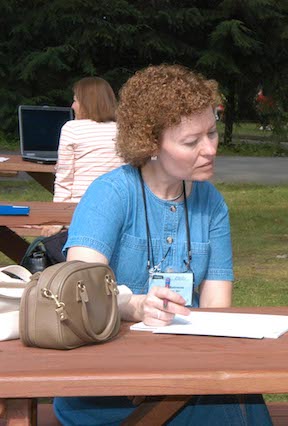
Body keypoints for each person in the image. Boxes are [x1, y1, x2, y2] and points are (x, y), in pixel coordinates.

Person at [54, 65, 272, 426]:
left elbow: (217, 310)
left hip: (186, 374)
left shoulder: (211, 203)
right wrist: (136, 305)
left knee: (236, 398)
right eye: (191, 142)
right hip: (106, 385)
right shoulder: (110, 194)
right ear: (150, 145)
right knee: (235, 408)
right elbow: (82, 293)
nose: (210, 149)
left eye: (213, 133)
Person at [40, 77, 123, 237]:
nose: (72, 106)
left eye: (75, 101)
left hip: (78, 212)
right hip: (117, 212)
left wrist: (59, 219)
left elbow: (64, 179)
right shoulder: (123, 131)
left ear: (87, 103)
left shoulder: (72, 129)